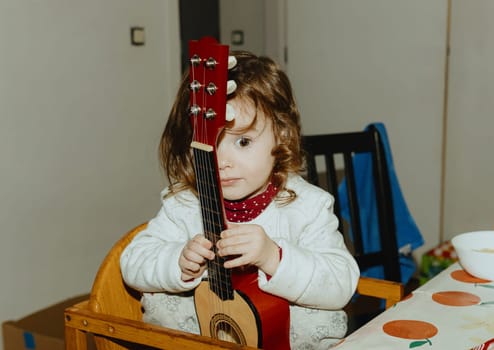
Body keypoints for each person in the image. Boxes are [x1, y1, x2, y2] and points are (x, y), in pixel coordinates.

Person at [120, 50, 359, 350]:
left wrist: (274, 257)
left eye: (243, 142)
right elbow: (132, 263)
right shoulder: (184, 204)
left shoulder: (307, 207)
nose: (222, 161)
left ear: (281, 136)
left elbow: (343, 283)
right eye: (209, 144)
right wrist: (177, 262)